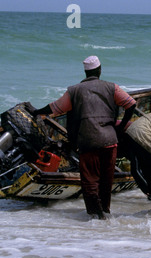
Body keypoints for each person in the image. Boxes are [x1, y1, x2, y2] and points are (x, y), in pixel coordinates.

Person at [27, 56, 136, 220]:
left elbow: (54, 108)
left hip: (88, 140)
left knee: (90, 180)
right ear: (99, 70)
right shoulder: (112, 87)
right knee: (106, 180)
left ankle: (95, 214)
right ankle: (105, 211)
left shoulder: (74, 91)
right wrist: (120, 127)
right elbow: (131, 104)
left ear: (86, 72)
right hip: (110, 140)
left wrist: (36, 112)